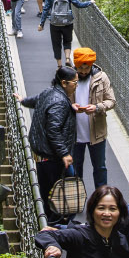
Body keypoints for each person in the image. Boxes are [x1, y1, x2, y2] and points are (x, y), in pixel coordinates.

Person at [20, 67, 77, 218]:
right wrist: (64, 153)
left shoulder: (49, 92)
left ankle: (51, 222)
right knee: (60, 191)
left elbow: (35, 100)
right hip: (52, 157)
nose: (76, 85)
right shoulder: (59, 101)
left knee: (48, 191)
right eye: (74, 82)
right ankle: (57, 225)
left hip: (41, 154)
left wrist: (22, 100)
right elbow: (53, 129)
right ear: (64, 83)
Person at [70, 48, 116, 192]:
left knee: (100, 167)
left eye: (87, 67)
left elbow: (111, 101)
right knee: (75, 167)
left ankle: (101, 199)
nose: (83, 71)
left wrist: (97, 107)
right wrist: (70, 105)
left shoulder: (101, 78)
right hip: (74, 132)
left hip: (97, 131)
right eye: (80, 68)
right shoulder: (67, 77)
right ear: (75, 65)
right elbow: (57, 97)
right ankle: (78, 197)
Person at [38, 0, 92, 64]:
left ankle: (59, 65)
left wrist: (41, 24)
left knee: (56, 43)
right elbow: (78, 4)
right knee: (67, 41)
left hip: (54, 22)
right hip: (67, 21)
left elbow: (46, 9)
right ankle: (67, 58)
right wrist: (89, 2)